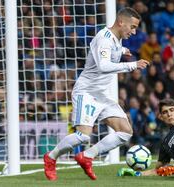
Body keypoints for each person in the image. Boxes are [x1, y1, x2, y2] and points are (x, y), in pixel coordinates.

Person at [43, 7, 150, 181]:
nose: (134, 31)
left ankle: (87, 156)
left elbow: (112, 52)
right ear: (121, 22)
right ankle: (51, 157)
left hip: (103, 94)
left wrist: (123, 51)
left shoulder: (117, 39)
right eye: (132, 27)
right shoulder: (104, 38)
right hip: (87, 92)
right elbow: (104, 66)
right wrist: (132, 65)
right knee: (83, 136)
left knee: (125, 131)